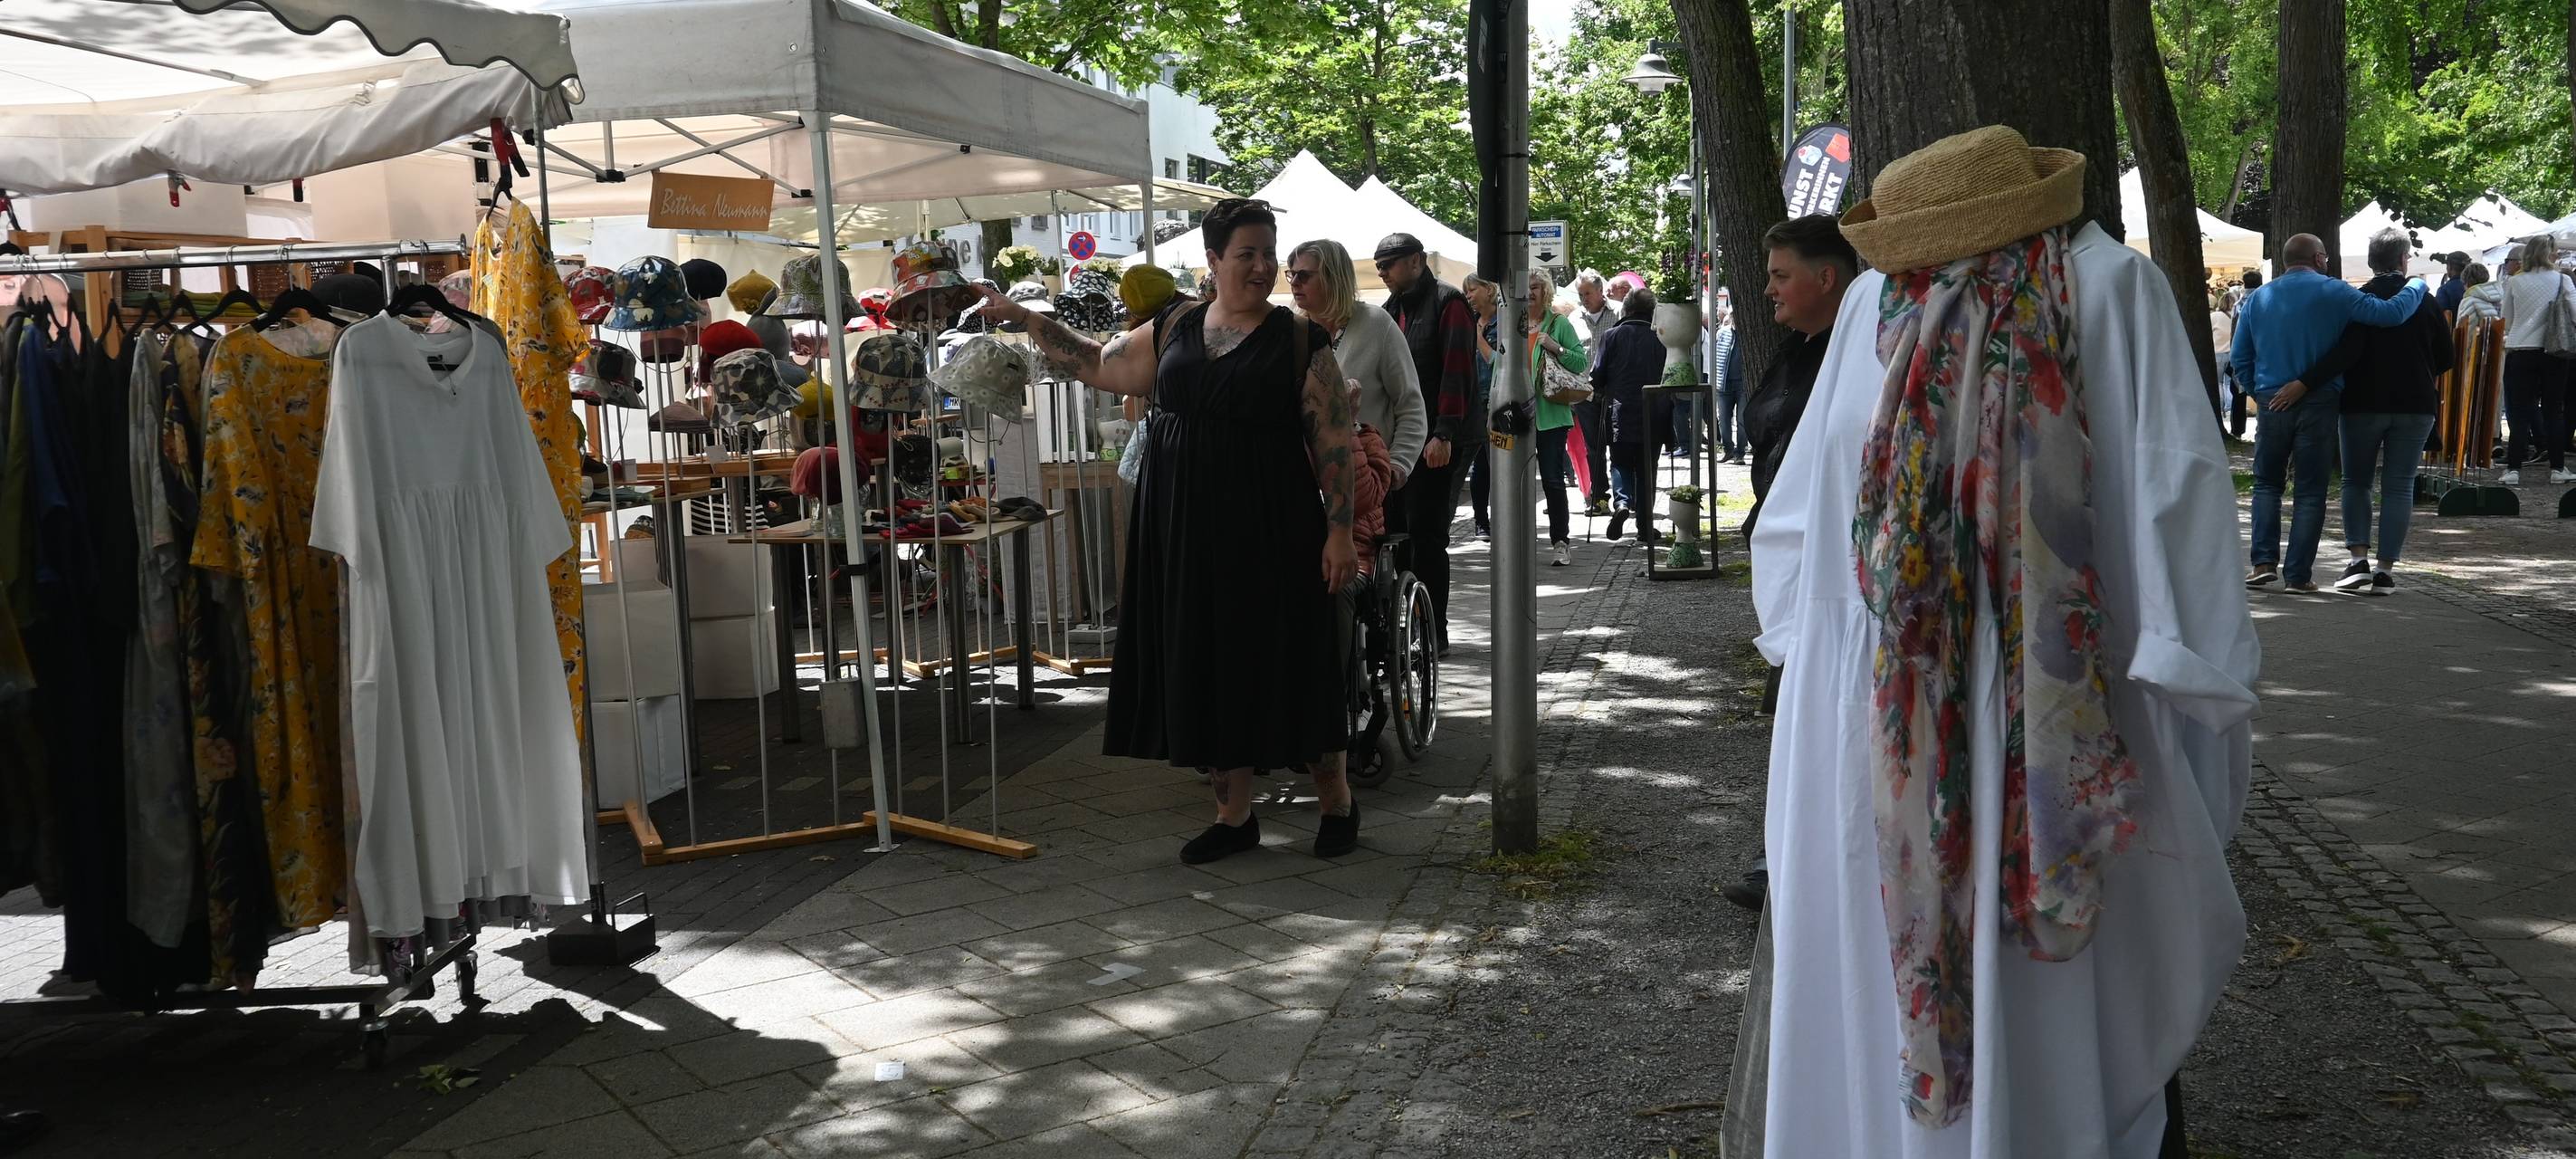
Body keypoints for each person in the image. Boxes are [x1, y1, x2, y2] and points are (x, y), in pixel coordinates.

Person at [1741, 124, 2257, 1159]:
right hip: (1916, 711)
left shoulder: (2098, 290)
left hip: (1976, 714)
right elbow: (1801, 515)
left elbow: (2170, 486)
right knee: (1911, 981)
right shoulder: (1877, 306)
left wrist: (2177, 670)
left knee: (1992, 992)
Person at [975, 197, 1360, 863]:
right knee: (1206, 659)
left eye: (1269, 253)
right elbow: (1099, 364)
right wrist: (1026, 319)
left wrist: (1340, 532)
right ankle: (1233, 817)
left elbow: (1334, 441)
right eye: (1248, 254)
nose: (1264, 267)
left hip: (1273, 526)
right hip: (1183, 525)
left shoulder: (1302, 339)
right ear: (1213, 261)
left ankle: (1337, 803)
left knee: (1289, 657)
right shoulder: (1175, 323)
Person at [2230, 232, 2428, 592]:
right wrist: (2415, 286)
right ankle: (2298, 576)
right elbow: (2390, 314)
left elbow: (2240, 354)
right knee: (2310, 490)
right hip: (2320, 399)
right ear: (2320, 258)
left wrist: (2260, 390)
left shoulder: (2260, 297)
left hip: (2272, 398)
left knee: (2266, 484)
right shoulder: (2335, 291)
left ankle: (2262, 563)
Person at [2274, 228, 2455, 595]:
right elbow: (2447, 357)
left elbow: (2345, 352)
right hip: (2415, 404)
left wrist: (2305, 382)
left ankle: (2358, 560)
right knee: (2399, 486)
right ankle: (2386, 570)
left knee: (2357, 481)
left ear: (2372, 262)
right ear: (2404, 260)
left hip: (2361, 403)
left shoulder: (2358, 300)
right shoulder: (2426, 301)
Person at [1375, 233, 1476, 651]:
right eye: (1379, 265)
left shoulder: (1449, 302)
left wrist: (1444, 433)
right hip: (1401, 442)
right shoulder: (1391, 309)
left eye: (1389, 263)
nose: (1382, 272)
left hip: (1438, 439)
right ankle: (1406, 623)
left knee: (1428, 537)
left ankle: (1435, 631)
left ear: (1416, 261)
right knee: (1397, 536)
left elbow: (1457, 372)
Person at [1741, 215, 1856, 540]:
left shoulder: (1854, 353)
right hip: (1777, 545)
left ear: (1825, 279)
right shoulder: (1790, 349)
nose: (1768, 290)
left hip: (1820, 547)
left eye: (1780, 276)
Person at [1286, 238, 1427, 498]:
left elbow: (1410, 405)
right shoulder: (1291, 332)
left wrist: (1398, 465)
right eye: (1291, 274)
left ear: (1333, 277)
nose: (1294, 282)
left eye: (1304, 275)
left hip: (1365, 484)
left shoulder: (1376, 324)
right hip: (1304, 487)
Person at [1513, 268, 1589, 566]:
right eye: (1526, 287)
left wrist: (1554, 347)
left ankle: (1560, 541)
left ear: (1546, 292)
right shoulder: (1514, 325)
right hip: (1516, 415)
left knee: (1553, 480)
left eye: (1535, 287)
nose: (1530, 292)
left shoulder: (1558, 324)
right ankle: (1517, 540)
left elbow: (1580, 361)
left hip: (1550, 415)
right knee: (1514, 481)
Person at [2496, 234, 2576, 482]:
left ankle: (2513, 469)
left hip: (2521, 349)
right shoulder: (2563, 280)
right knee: (2554, 410)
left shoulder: (2514, 282)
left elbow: (2506, 319)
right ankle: (2557, 468)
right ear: (2551, 254)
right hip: (2554, 351)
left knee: (2520, 412)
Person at [1590, 287, 1667, 542]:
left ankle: (1622, 503)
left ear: (1626, 309)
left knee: (1620, 462)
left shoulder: (1611, 336)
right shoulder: (1661, 338)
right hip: (1653, 411)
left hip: (1619, 411)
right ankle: (1645, 527)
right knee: (1648, 468)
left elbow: (1597, 375)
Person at [1571, 271, 1618, 512]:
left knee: (1618, 445)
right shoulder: (1574, 318)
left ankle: (1624, 497)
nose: (1584, 299)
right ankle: (1600, 498)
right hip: (1585, 394)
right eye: (1580, 294)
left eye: (1587, 293)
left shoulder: (1618, 313)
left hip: (1614, 392)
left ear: (1600, 291)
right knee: (1594, 449)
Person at [1462, 274, 1501, 538]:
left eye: (1471, 290)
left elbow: (1501, 363)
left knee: (1498, 463)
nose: (1468, 296)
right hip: (1473, 402)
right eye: (1465, 293)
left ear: (1489, 289)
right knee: (1480, 465)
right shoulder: (1469, 321)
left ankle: (1502, 520)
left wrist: (1478, 340)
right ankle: (1481, 521)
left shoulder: (1507, 322)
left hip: (1497, 403)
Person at [1713, 297, 1745, 463]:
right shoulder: (1722, 333)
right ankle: (1728, 449)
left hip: (1743, 385)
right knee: (1723, 420)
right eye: (1733, 314)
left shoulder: (1748, 335)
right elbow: (1716, 357)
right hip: (1723, 383)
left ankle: (1740, 453)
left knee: (1741, 420)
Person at [2459, 262, 2504, 329]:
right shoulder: (2500, 298)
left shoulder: (2469, 302)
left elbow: (2466, 332)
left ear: (2467, 282)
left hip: (2478, 338)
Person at [2436, 251, 2470, 316]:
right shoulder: (2476, 286)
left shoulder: (2444, 290)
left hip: (2453, 326)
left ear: (2450, 267)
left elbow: (2439, 317)